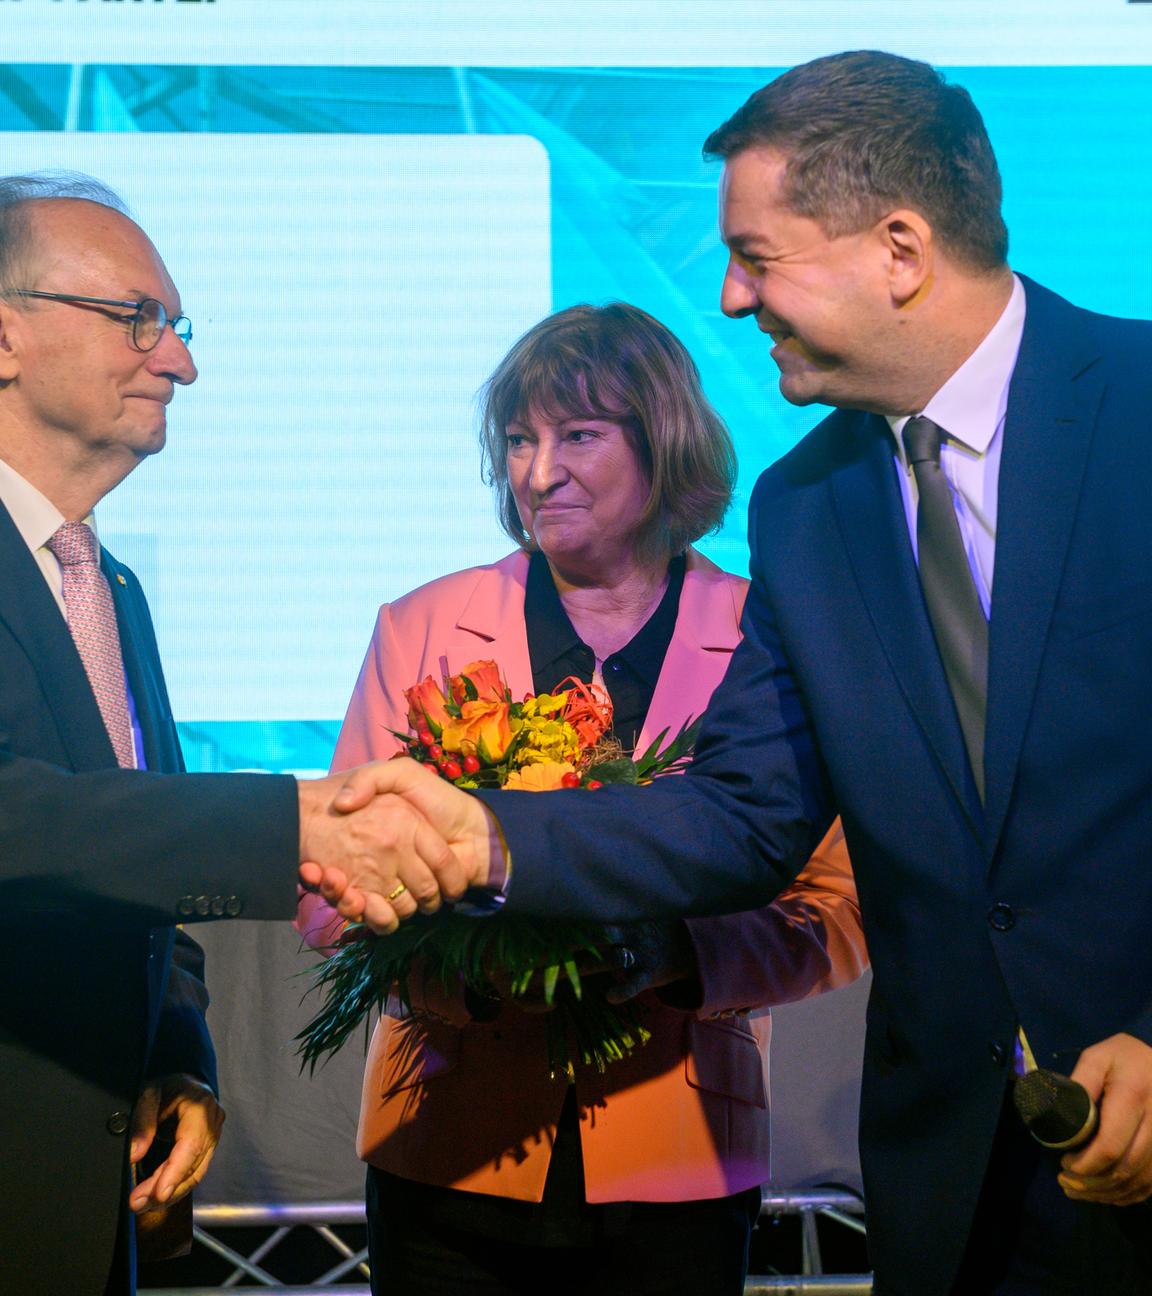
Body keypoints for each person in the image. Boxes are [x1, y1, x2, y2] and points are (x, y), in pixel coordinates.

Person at [320, 53, 1152, 1296]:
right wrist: (487, 837)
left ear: (901, 249)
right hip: (953, 1180)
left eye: (756, 258)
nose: (724, 296)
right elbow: (745, 813)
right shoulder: (809, 507)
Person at [298, 303, 867, 1296]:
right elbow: (324, 889)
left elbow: (839, 910)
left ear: (666, 445)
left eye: (578, 436)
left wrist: (684, 960)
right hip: (445, 1149)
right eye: (518, 439)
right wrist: (471, 977)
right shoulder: (421, 625)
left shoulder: (766, 635)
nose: (536, 471)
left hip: (679, 1164)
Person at [0, 172, 467, 1296]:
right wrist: (297, 819)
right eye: (137, 320)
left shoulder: (106, 586)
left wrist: (179, 1058)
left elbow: (131, 864)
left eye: (177, 328)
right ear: (4, 336)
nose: (180, 362)